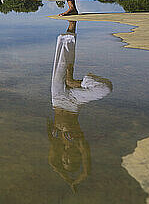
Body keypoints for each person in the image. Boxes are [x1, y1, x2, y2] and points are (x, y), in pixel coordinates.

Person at [47, 21, 112, 191]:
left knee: (62, 60)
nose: (66, 160)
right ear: (75, 158)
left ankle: (71, 26)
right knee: (106, 88)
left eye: (64, 162)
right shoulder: (79, 142)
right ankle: (77, 82)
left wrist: (65, 177)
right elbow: (87, 169)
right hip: (74, 103)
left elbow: (53, 164)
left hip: (58, 98)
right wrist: (78, 179)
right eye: (70, 162)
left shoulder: (56, 144)